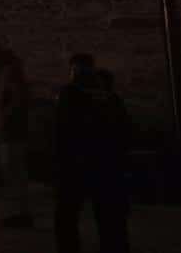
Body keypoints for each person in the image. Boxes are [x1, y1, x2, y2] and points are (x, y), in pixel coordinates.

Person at [54, 55, 130, 253]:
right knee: (109, 216)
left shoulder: (70, 95)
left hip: (77, 162)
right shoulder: (109, 97)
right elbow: (123, 128)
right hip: (105, 162)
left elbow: (61, 129)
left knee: (67, 215)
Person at [0, 38, 32, 228]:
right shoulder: (5, 71)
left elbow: (18, 99)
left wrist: (3, 117)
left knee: (13, 170)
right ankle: (18, 212)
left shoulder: (9, 72)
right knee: (11, 170)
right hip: (9, 129)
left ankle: (20, 213)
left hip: (12, 130)